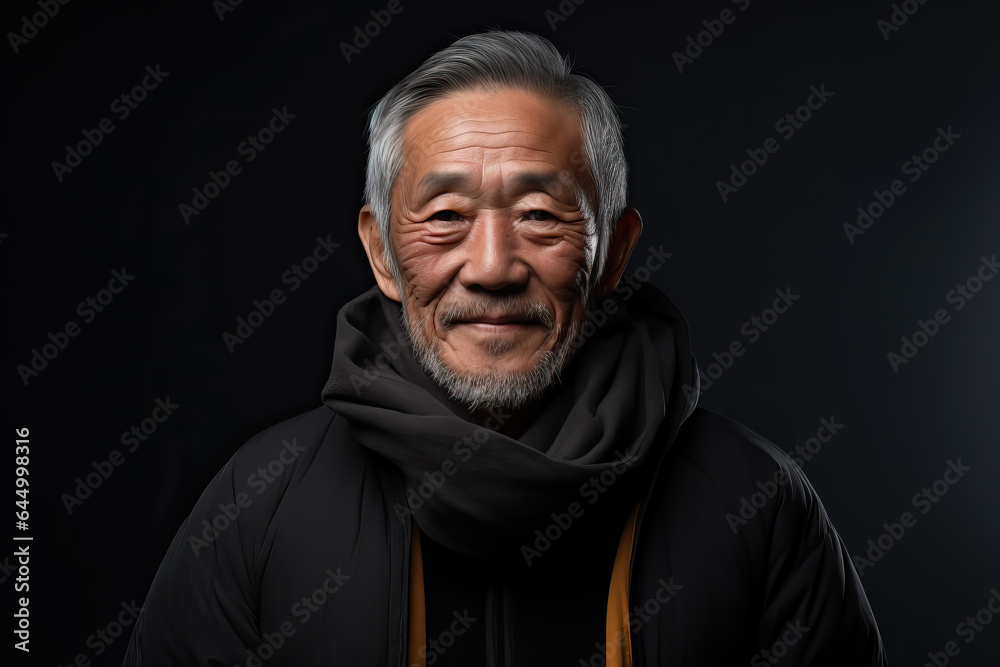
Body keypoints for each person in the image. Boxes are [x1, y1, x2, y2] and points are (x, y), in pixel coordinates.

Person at [124, 30, 888, 666]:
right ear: (382, 252)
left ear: (614, 254)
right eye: (447, 215)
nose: (492, 268)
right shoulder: (258, 504)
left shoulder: (754, 503)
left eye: (541, 215)